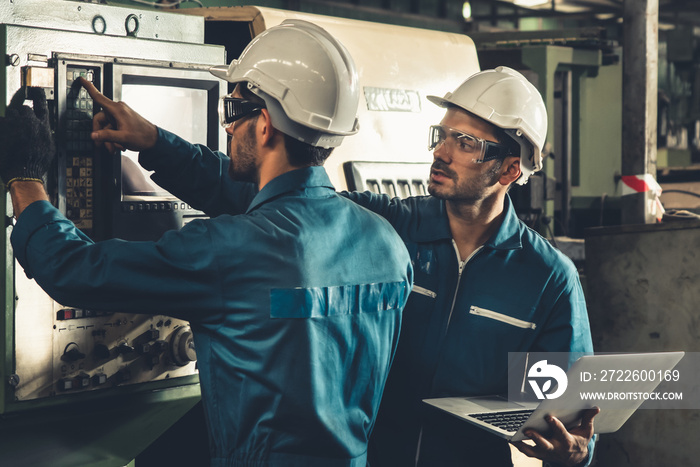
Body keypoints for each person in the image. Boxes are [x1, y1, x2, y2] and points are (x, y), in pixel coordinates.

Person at [1, 20, 413, 467]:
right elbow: (275, 203)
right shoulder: (387, 243)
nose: (228, 127)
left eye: (233, 111)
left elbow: (74, 269)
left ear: (266, 125)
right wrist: (155, 143)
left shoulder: (231, 250)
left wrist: (25, 175)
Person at [341, 66, 598, 467]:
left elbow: (567, 416)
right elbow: (304, 201)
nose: (441, 152)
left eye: (465, 143)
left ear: (511, 169)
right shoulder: (392, 228)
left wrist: (575, 453)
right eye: (441, 136)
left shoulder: (547, 278)